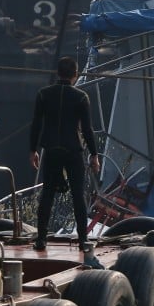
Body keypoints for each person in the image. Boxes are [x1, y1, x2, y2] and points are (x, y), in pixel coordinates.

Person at [29, 56, 103, 268]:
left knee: (48, 194)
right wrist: (94, 154)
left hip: (51, 149)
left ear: (57, 73)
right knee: (78, 194)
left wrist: (32, 149)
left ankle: (41, 239)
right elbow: (87, 129)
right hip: (72, 150)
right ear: (75, 75)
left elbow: (36, 124)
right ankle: (83, 240)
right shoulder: (81, 97)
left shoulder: (43, 94)